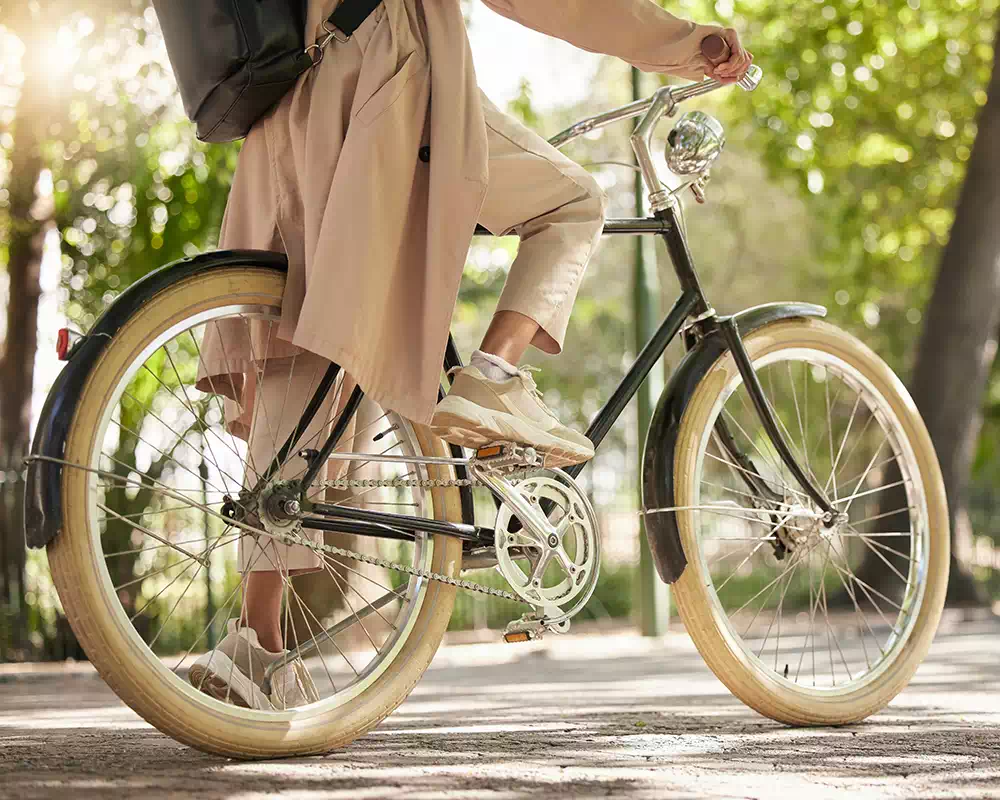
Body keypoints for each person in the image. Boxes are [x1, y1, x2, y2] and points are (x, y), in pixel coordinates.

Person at [190, 0, 752, 709]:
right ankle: (491, 376)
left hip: (292, 101)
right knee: (573, 201)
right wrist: (687, 45)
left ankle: (255, 644)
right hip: (385, 78)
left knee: (302, 352)